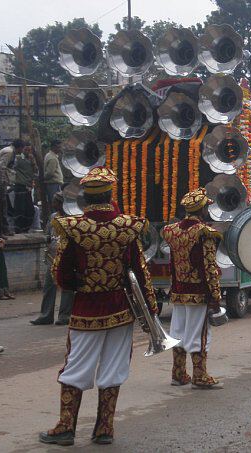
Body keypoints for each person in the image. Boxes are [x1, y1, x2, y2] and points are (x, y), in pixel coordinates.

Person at [39, 167, 157, 446]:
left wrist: (80, 282)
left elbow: (62, 276)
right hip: (120, 308)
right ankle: (105, 428)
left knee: (76, 366)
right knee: (114, 367)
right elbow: (140, 271)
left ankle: (66, 427)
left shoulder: (73, 227)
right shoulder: (128, 226)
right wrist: (150, 309)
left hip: (85, 311)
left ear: (86, 198)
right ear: (110, 193)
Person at [162, 188, 223, 389]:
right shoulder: (204, 232)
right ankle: (199, 375)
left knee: (178, 331)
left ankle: (178, 373)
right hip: (198, 291)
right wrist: (215, 295)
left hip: (179, 290)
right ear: (202, 209)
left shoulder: (171, 230)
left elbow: (172, 264)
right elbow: (209, 266)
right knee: (199, 333)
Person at [30, 193, 74, 325]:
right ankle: (46, 315)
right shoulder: (53, 217)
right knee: (49, 286)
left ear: (61, 203)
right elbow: (48, 233)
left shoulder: (72, 218)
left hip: (67, 256)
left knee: (66, 287)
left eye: (56, 202)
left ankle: (64, 316)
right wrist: (48, 240)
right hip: (52, 256)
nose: (53, 204)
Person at [0, 139, 22, 236]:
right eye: (21, 149)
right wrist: (2, 183)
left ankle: (3, 229)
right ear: (19, 148)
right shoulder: (9, 152)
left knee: (3, 205)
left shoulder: (10, 151)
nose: (21, 151)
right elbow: (0, 167)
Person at [12, 142, 37, 233]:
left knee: (30, 209)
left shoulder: (32, 159)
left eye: (29, 150)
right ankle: (18, 229)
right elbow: (12, 168)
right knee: (20, 209)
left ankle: (26, 228)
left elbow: (35, 172)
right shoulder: (18, 158)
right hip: (20, 186)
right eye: (26, 149)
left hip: (28, 187)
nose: (27, 151)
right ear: (23, 149)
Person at [43, 140, 64, 208]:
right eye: (59, 147)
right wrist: (44, 178)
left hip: (53, 184)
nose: (60, 149)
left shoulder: (49, 155)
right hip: (54, 184)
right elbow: (50, 173)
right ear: (54, 147)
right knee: (56, 204)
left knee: (53, 203)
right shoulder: (52, 158)